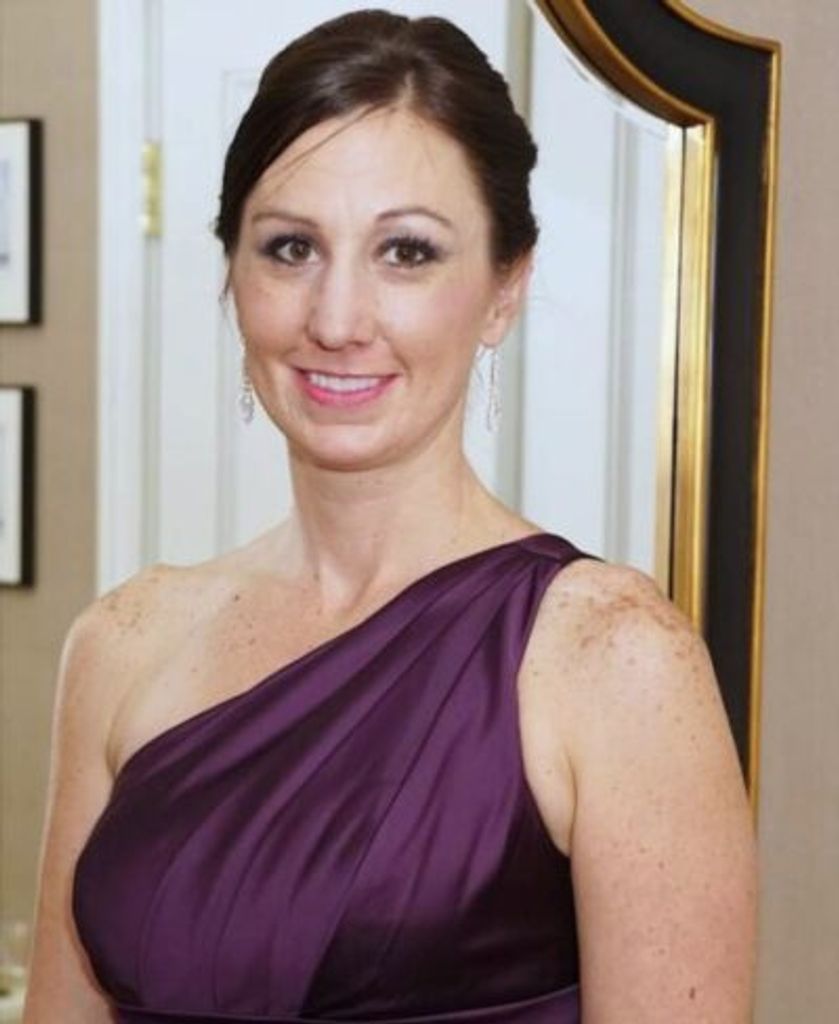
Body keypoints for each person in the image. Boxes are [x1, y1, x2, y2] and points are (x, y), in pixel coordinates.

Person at [23, 9, 756, 1023]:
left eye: (406, 252)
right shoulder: (122, 642)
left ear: (503, 289)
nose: (336, 319)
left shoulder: (613, 657)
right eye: (290, 248)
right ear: (231, 273)